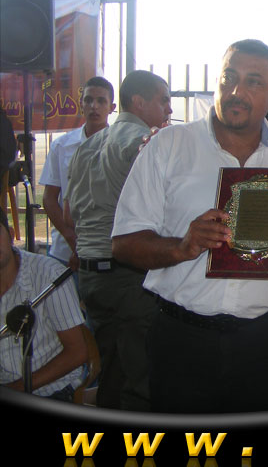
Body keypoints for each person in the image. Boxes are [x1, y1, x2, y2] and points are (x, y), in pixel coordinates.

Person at [111, 39, 268, 413]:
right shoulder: (169, 145)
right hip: (184, 341)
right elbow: (123, 244)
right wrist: (182, 247)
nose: (236, 91)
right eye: (229, 77)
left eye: (253, 82)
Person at [64, 69, 172, 411]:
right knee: (140, 378)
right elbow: (164, 208)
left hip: (92, 276)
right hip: (127, 275)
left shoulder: (86, 146)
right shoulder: (143, 143)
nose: (169, 109)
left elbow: (69, 211)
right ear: (138, 102)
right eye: (163, 100)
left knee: (111, 370)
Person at [0, 209, 87, 401]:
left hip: (52, 391)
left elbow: (77, 353)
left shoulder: (49, 275)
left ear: (11, 235)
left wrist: (17, 389)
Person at [39, 77, 115, 270]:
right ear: (81, 104)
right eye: (88, 100)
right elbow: (49, 198)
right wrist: (72, 239)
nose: (94, 106)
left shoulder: (120, 147)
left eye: (101, 101)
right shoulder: (62, 146)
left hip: (106, 249)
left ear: (112, 107)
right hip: (65, 250)